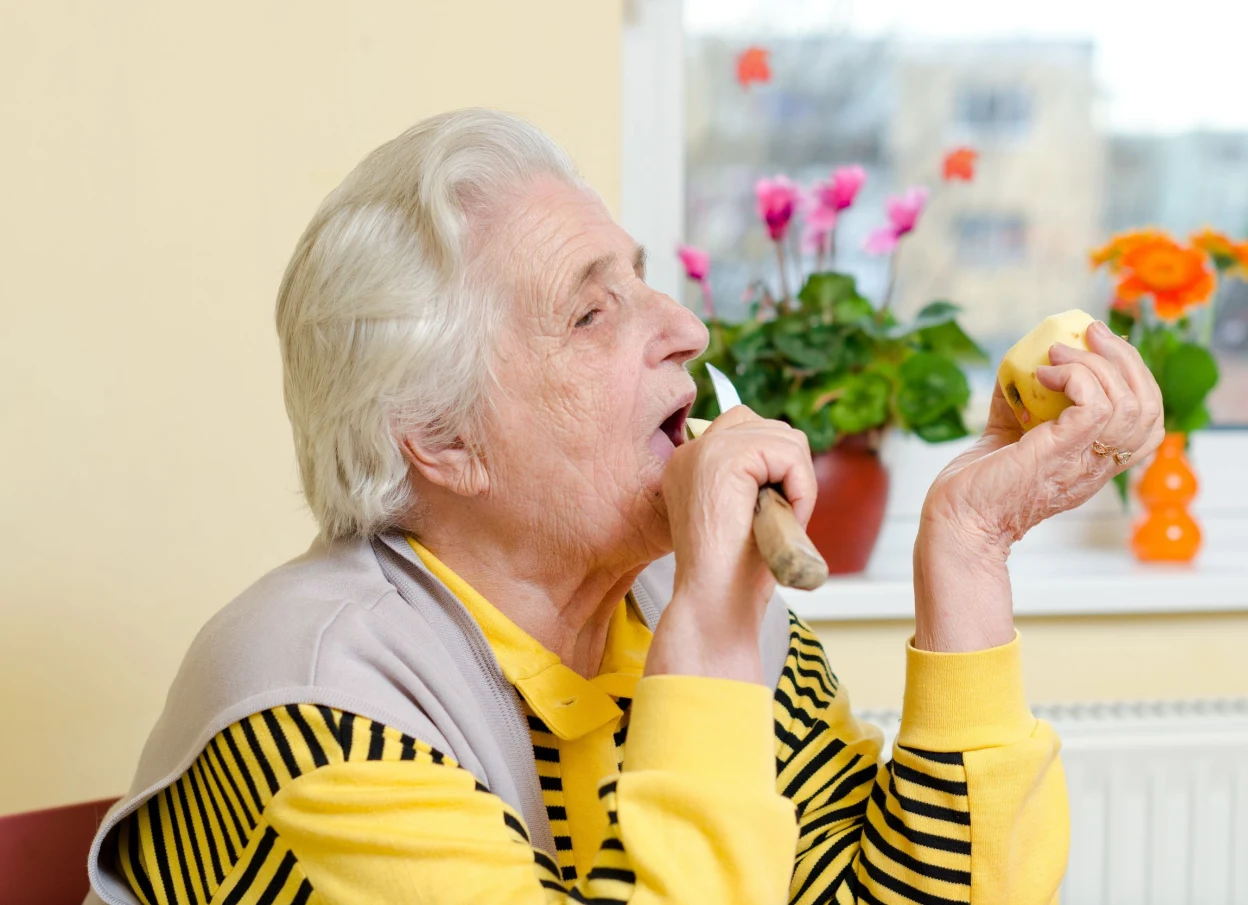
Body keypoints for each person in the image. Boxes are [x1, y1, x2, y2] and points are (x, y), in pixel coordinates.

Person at [85, 110, 1163, 905]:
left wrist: (966, 548)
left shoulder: (679, 612)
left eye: (646, 281)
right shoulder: (314, 717)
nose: (687, 326)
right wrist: (709, 619)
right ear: (444, 439)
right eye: (592, 311)